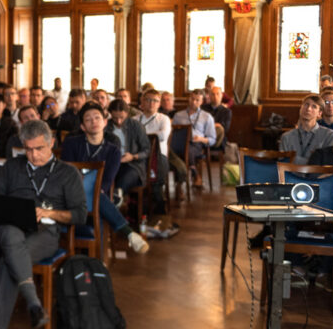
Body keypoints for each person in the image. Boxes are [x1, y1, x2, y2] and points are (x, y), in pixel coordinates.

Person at [0, 120, 88, 329]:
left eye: (39, 149)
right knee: (10, 237)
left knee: (11, 258)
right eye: (27, 149)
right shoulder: (12, 167)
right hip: (8, 228)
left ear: (51, 144)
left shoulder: (68, 173)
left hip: (45, 234)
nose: (33, 155)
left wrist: (49, 213)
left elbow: (79, 215)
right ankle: (33, 304)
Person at [61, 103, 150, 252]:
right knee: (94, 195)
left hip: (96, 195)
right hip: (71, 193)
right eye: (88, 120)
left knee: (96, 197)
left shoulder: (113, 150)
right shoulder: (71, 144)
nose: (94, 122)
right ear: (83, 127)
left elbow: (108, 180)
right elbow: (67, 173)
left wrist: (96, 188)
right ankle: (128, 234)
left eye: (97, 118)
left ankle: (99, 261)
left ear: (105, 122)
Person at [171, 89, 217, 187]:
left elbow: (212, 139)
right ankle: (194, 173)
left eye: (197, 100)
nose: (194, 102)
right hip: (179, 144)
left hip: (197, 145)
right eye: (192, 99)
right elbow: (173, 133)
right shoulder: (178, 115)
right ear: (189, 99)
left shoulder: (207, 117)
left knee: (188, 149)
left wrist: (200, 139)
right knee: (174, 150)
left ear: (202, 102)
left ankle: (179, 185)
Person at [106, 99, 150, 193]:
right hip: (112, 163)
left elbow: (147, 150)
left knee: (124, 179)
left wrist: (133, 156)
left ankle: (117, 196)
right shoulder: (106, 126)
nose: (118, 121)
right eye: (114, 118)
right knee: (105, 179)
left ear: (127, 113)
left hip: (133, 165)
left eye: (122, 117)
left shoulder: (136, 125)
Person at [278, 94, 333, 164]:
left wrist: (294, 159)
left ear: (319, 113)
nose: (308, 109)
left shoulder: (329, 135)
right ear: (300, 109)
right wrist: (312, 160)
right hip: (290, 174)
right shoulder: (286, 137)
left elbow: (326, 163)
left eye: (314, 106)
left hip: (317, 174)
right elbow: (283, 163)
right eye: (306, 105)